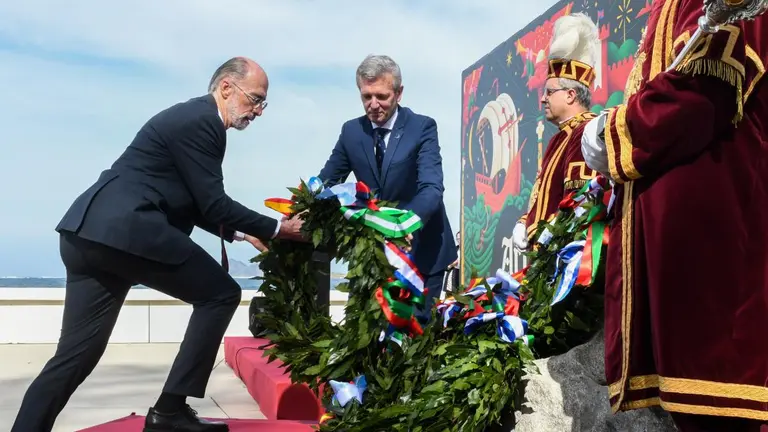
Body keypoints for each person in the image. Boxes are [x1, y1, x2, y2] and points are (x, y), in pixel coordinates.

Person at [11, 57, 305, 432]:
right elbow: (214, 203)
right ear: (226, 87)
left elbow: (191, 201)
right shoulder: (204, 122)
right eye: (256, 99)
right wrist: (280, 228)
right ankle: (168, 411)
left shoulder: (188, 117)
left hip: (87, 234)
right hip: (128, 230)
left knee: (75, 355)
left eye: (264, 103)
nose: (259, 111)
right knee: (220, 295)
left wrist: (245, 233)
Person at [580, 0, 768, 429]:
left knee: (725, 411)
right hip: (685, 252)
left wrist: (614, 134)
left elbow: (700, 95)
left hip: (716, 248)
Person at [317, 54, 456, 322]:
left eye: (381, 96)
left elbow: (432, 187)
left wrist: (405, 224)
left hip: (422, 252)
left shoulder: (423, 127)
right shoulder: (351, 132)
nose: (373, 105)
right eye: (366, 96)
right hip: (372, 255)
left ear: (399, 93)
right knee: (365, 340)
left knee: (415, 342)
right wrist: (302, 206)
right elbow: (327, 181)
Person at [512, 13, 600, 251]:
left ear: (571, 95)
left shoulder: (584, 131)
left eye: (549, 92)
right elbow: (545, 199)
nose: (542, 99)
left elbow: (579, 201)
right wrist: (525, 222)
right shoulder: (559, 138)